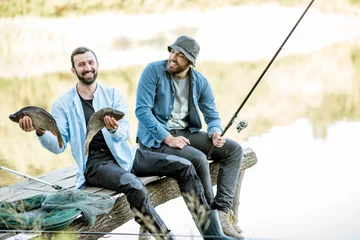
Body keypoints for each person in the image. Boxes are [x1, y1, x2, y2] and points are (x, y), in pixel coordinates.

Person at [17, 47, 236, 240]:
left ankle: (211, 234)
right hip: (96, 164)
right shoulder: (63, 104)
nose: (87, 67)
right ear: (74, 70)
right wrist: (40, 131)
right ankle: (165, 236)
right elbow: (58, 146)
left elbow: (125, 135)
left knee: (185, 166)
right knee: (134, 185)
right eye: (81, 64)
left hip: (126, 154)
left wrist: (114, 129)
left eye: (90, 62)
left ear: (97, 65)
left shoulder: (113, 94)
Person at [135, 35, 244, 238]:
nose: (173, 58)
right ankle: (212, 229)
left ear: (190, 62)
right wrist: (167, 138)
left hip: (186, 133)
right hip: (155, 139)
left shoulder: (200, 81)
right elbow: (142, 111)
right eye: (172, 52)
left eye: (180, 56)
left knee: (234, 150)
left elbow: (212, 115)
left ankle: (221, 212)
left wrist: (214, 131)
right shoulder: (153, 71)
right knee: (197, 158)